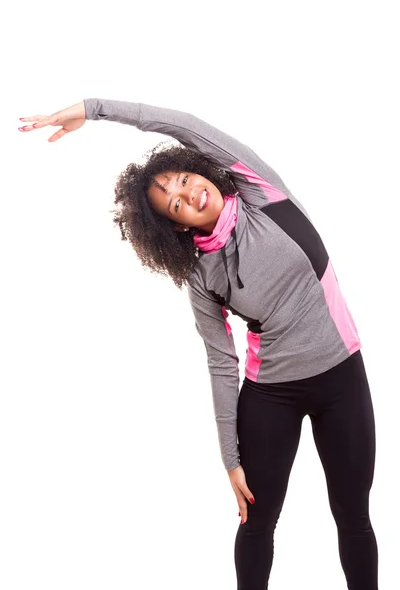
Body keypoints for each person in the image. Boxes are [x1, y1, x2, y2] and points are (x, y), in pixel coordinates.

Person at [18, 99, 379, 589]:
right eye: (174, 204)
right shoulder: (200, 273)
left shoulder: (261, 193)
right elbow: (221, 362)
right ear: (178, 226)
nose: (187, 195)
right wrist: (230, 457)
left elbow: (184, 125)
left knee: (352, 516)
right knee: (257, 523)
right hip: (270, 394)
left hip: (341, 378)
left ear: (196, 171)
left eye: (183, 181)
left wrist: (93, 109)